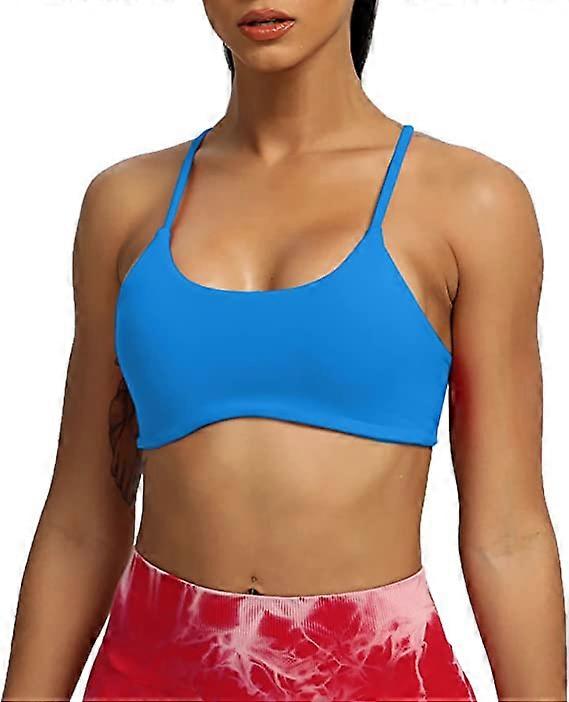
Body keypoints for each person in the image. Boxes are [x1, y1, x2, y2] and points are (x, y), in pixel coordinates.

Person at [3, 1, 566, 700]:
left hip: (378, 676)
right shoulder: (125, 204)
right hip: (148, 675)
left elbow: (507, 533)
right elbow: (81, 520)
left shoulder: (471, 203)